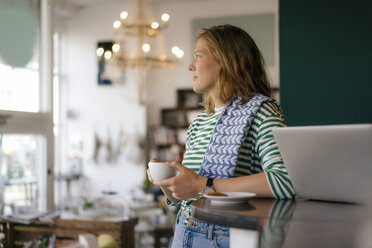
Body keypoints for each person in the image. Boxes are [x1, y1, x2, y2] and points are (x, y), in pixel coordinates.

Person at [147, 24, 295, 248]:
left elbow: (286, 181)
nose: (190, 66)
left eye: (198, 56)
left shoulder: (262, 111)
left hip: (226, 236)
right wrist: (168, 183)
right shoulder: (198, 123)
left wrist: (203, 184)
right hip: (183, 230)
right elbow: (184, 198)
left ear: (227, 61)